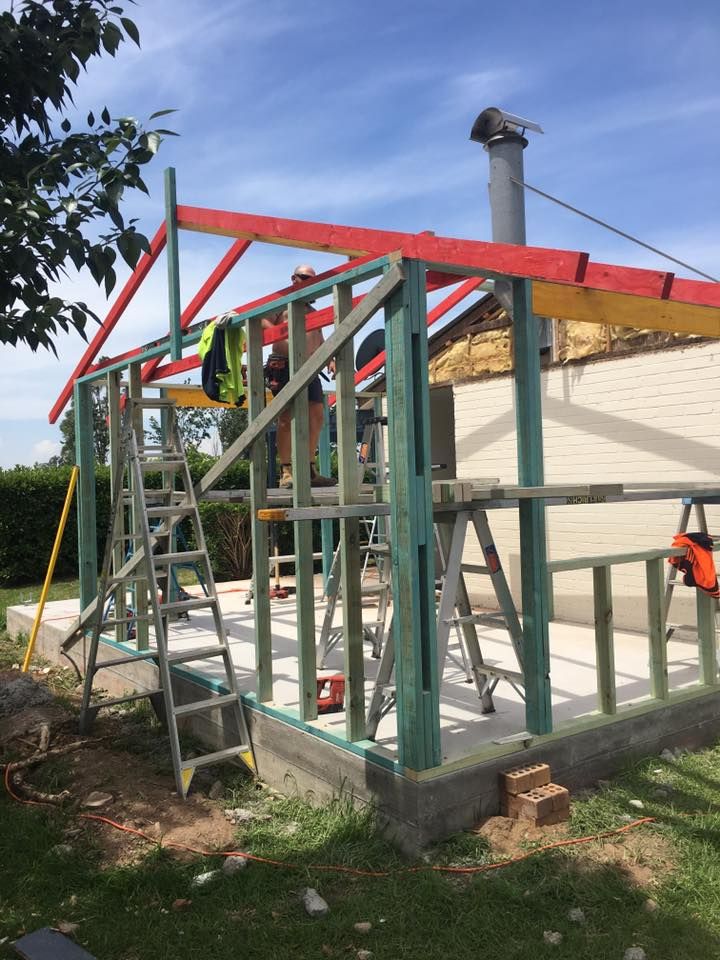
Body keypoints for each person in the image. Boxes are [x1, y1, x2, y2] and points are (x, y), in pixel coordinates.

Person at [262, 264, 336, 488]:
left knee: (316, 414)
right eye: (305, 277)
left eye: (313, 279)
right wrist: (285, 339)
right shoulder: (282, 303)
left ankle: (308, 468)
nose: (309, 282)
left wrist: (329, 358)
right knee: (286, 416)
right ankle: (286, 471)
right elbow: (262, 322)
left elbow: (319, 339)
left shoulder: (313, 313)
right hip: (283, 365)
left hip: (309, 367)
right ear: (294, 278)